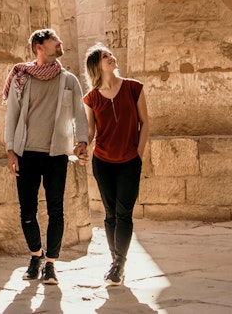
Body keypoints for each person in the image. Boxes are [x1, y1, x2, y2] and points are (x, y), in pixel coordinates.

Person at [3, 29, 89, 285]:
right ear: (39, 46)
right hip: (25, 153)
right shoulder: (22, 77)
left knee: (56, 211)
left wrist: (82, 141)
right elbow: (12, 116)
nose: (60, 42)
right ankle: (35, 255)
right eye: (54, 40)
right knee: (27, 212)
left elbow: (79, 115)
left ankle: (50, 263)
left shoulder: (69, 80)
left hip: (56, 156)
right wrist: (10, 151)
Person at [82, 44, 149, 286]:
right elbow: (90, 131)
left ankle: (118, 264)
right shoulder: (91, 98)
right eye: (105, 57)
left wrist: (138, 153)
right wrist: (81, 145)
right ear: (96, 66)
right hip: (103, 162)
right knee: (110, 215)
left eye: (110, 54)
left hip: (129, 161)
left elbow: (145, 123)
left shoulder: (134, 87)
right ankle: (116, 264)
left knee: (124, 214)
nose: (111, 58)